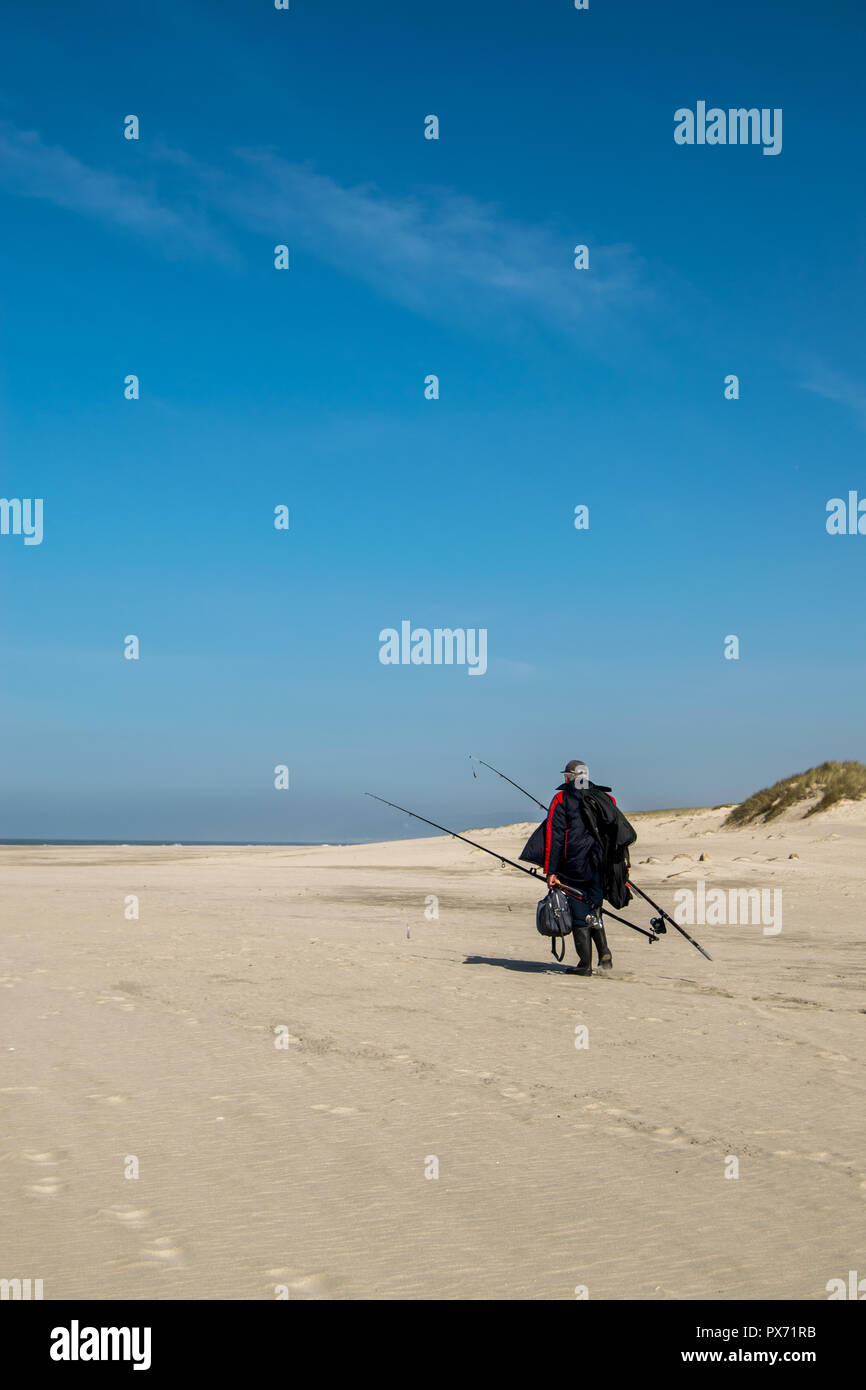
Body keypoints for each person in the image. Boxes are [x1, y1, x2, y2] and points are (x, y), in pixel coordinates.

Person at [544, 759, 615, 975]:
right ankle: (604, 955)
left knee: (578, 912)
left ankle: (585, 964)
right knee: (594, 906)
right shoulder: (605, 797)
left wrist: (551, 871)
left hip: (574, 863)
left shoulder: (561, 798)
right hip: (601, 863)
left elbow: (554, 837)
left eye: (565, 775)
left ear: (568, 777)